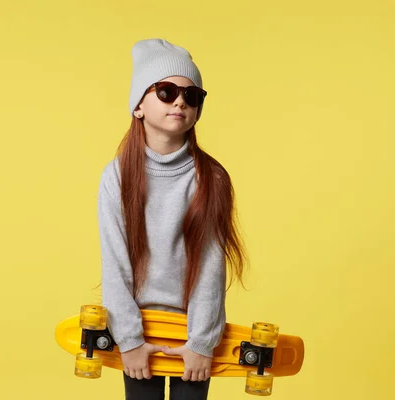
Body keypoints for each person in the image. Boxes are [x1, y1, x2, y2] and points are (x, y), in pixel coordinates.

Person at [97, 38, 247, 400]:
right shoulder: (117, 177)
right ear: (138, 106)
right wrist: (130, 339)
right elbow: (114, 263)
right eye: (166, 91)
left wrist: (202, 342)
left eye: (192, 95)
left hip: (193, 329)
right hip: (139, 327)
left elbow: (211, 266)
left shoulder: (211, 178)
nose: (180, 100)